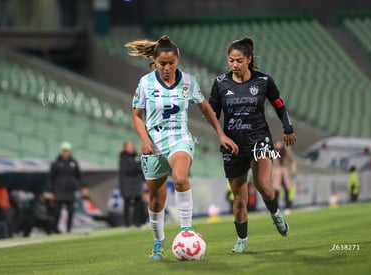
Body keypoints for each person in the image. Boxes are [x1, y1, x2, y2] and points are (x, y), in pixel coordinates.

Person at [126, 35, 238, 260]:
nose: (167, 68)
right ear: (155, 62)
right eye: (162, 64)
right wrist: (145, 140)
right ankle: (158, 243)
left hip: (180, 139)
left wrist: (221, 133)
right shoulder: (145, 83)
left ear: (177, 61)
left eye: (171, 63)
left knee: (179, 177)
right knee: (156, 201)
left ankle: (186, 230)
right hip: (154, 144)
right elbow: (136, 116)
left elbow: (205, 108)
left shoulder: (188, 81)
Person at [208, 37, 297, 253]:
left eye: (239, 60)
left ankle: (275, 214)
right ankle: (242, 240)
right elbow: (211, 114)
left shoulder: (264, 81)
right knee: (239, 200)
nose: (234, 65)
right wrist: (221, 135)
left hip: (258, 140)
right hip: (233, 145)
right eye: (230, 60)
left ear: (249, 59)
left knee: (263, 186)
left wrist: (288, 128)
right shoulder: (220, 83)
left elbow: (279, 105)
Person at [47, 142, 89, 233]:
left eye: (68, 151)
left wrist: (84, 187)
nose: (66, 153)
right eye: (64, 151)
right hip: (58, 191)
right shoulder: (56, 164)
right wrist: (50, 192)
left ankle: (68, 229)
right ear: (62, 152)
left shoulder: (73, 163)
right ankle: (55, 229)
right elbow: (50, 178)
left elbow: (79, 176)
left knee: (70, 211)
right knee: (57, 212)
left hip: (70, 191)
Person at [119, 140, 145, 228]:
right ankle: (127, 224)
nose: (131, 148)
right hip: (127, 184)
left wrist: (136, 166)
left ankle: (138, 223)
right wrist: (137, 166)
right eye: (129, 146)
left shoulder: (137, 156)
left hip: (137, 183)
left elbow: (142, 167)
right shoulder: (123, 157)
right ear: (125, 148)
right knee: (127, 203)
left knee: (138, 203)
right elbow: (128, 169)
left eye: (132, 146)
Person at [273, 140, 297, 214]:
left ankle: (288, 206)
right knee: (275, 191)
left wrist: (293, 170)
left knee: (287, 190)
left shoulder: (286, 150)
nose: (278, 145)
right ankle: (275, 208)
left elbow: (292, 160)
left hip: (285, 172)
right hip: (276, 173)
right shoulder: (272, 151)